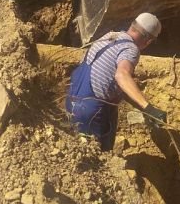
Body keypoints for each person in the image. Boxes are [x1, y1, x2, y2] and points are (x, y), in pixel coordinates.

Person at [66, 13, 167, 151]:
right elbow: (121, 76)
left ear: (132, 26)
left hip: (71, 103)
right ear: (148, 40)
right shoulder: (131, 49)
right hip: (92, 114)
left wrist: (143, 108)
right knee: (98, 161)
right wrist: (148, 107)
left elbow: (111, 82)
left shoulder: (109, 36)